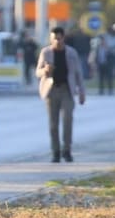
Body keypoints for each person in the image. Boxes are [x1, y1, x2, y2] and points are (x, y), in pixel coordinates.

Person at [36, 26, 85, 163]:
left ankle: (67, 150)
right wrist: (45, 71)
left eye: (59, 38)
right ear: (51, 39)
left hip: (67, 90)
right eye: (54, 39)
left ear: (63, 38)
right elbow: (37, 72)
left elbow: (78, 74)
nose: (57, 41)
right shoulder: (45, 52)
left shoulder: (71, 53)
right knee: (53, 123)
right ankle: (55, 151)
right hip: (51, 91)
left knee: (68, 120)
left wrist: (81, 91)